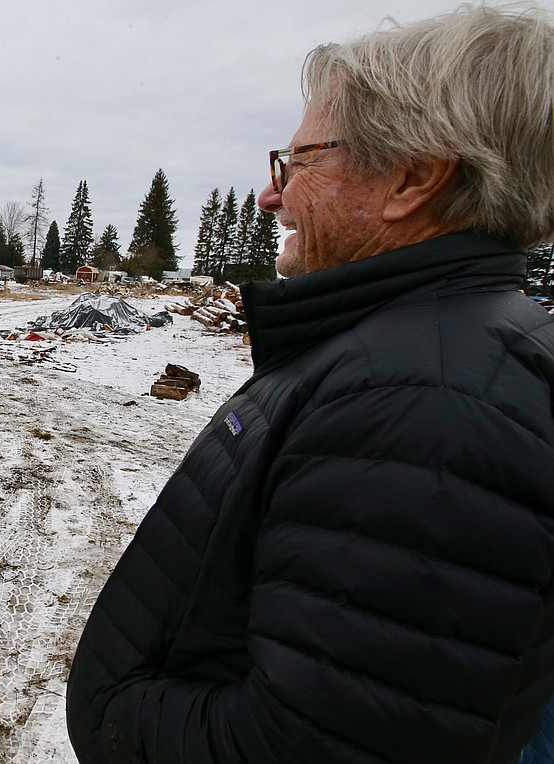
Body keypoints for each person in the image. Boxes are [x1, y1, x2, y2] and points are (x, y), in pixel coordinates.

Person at [65, 6, 554, 762]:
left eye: (298, 162)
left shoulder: (425, 410)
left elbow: (313, 744)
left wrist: (121, 713)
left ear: (415, 178)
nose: (271, 195)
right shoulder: (425, 355)